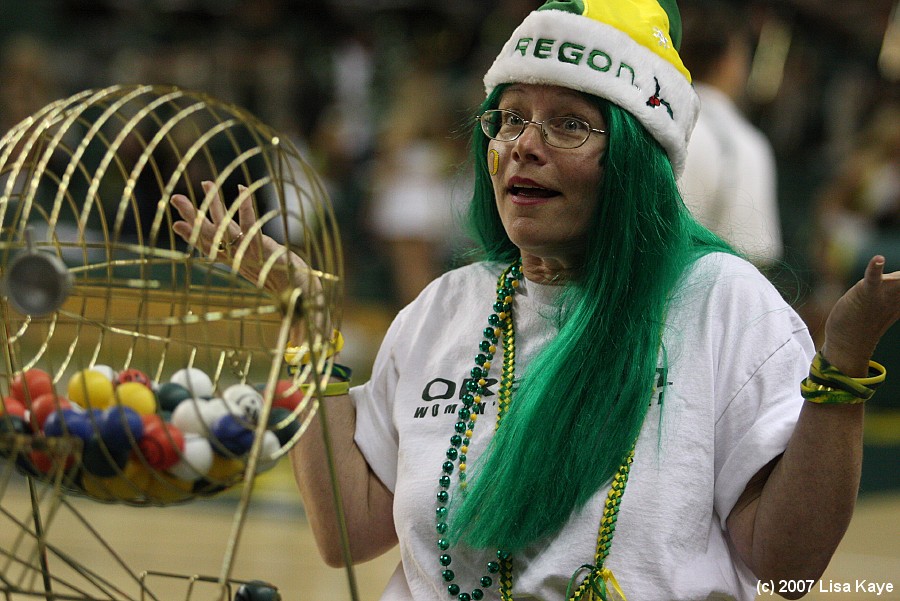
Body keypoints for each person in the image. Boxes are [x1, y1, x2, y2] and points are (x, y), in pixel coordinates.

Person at [171, 1, 900, 599]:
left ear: (636, 162)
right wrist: (306, 328)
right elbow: (347, 531)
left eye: (570, 124)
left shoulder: (724, 302)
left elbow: (788, 567)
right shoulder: (443, 308)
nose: (523, 143)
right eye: (510, 117)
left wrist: (840, 370)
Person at [678, 1, 783, 266]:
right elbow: (756, 255)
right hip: (707, 297)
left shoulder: (646, 118)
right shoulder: (748, 145)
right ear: (731, 60)